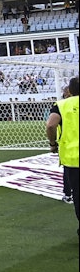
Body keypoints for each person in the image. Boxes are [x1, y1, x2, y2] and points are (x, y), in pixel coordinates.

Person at [46, 77, 79, 234]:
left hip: (73, 159)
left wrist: (53, 144)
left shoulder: (61, 105)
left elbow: (50, 125)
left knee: (78, 195)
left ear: (70, 90)